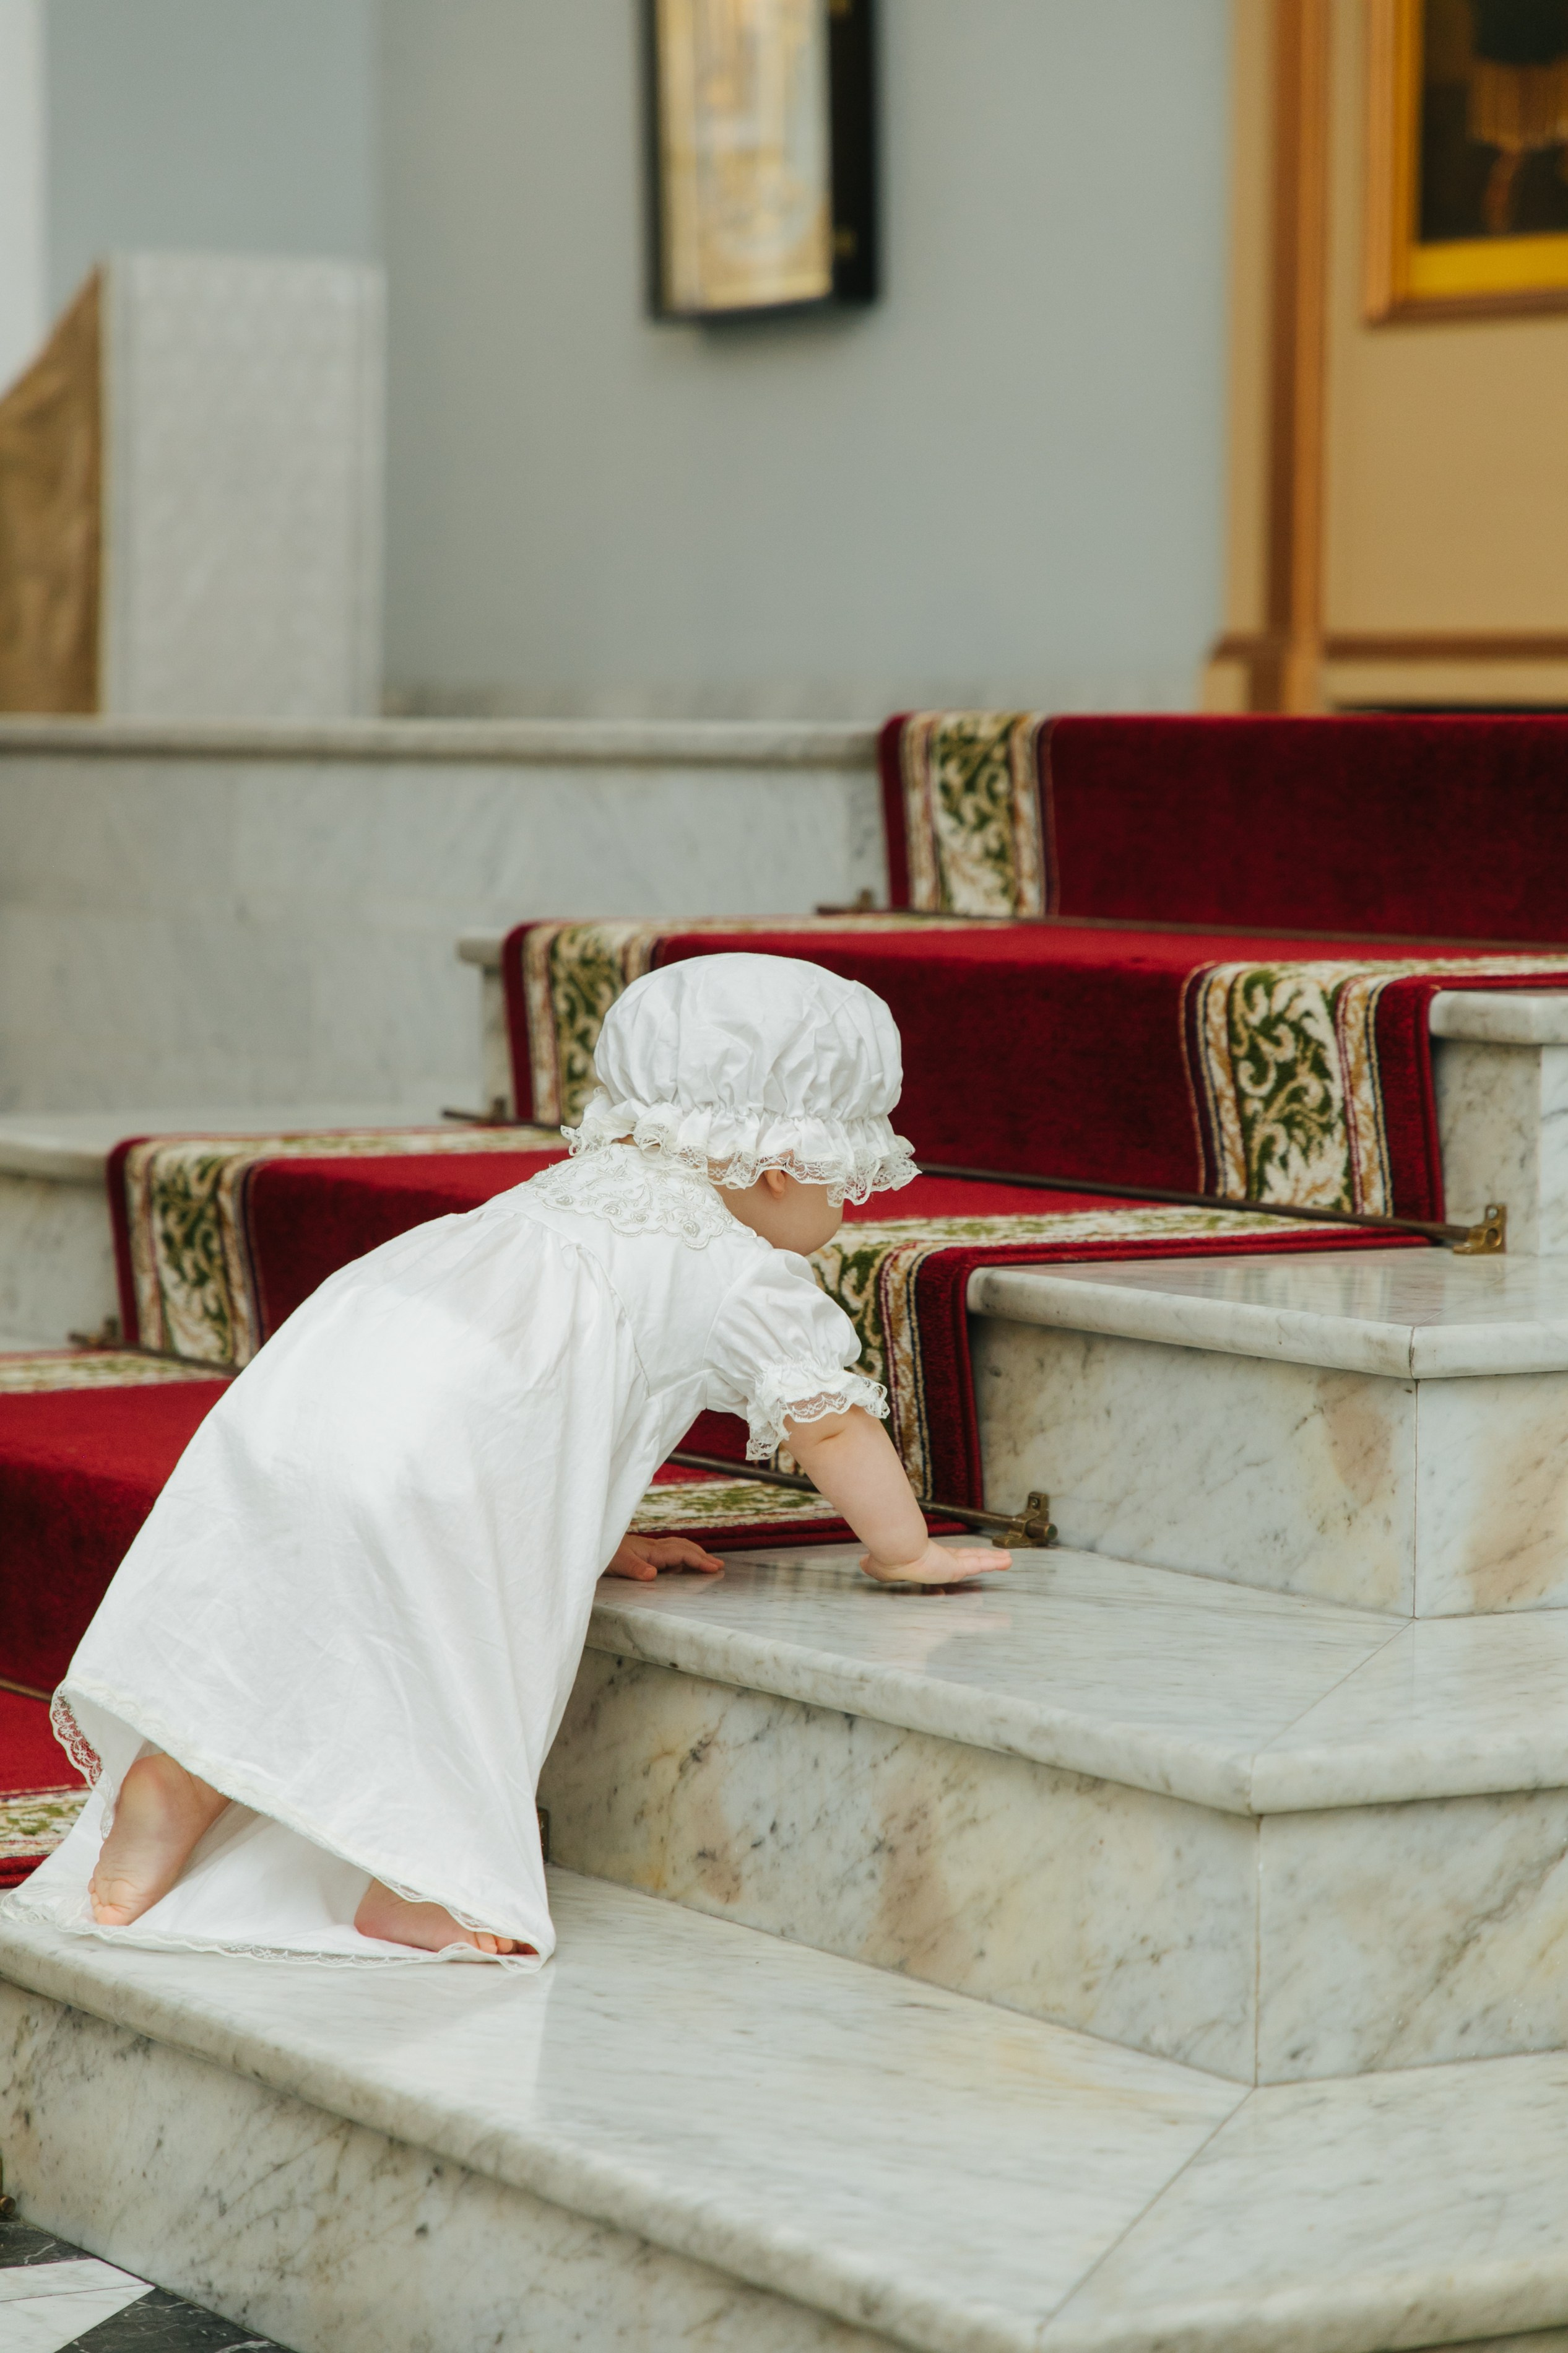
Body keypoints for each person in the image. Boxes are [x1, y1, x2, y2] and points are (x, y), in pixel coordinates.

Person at [6, 955, 1007, 1970]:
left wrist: (598, 1532)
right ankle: (416, 1882)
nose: (852, 1212)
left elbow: (537, 1404)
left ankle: (176, 1780)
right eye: (851, 1185)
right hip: (434, 1462)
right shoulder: (740, 1270)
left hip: (318, 1386)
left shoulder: (562, 1194)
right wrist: (904, 1549)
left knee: (295, 1604)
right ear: (780, 1167)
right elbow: (830, 1427)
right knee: (445, 1655)